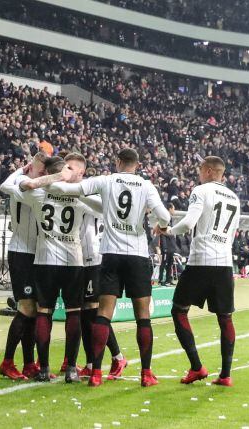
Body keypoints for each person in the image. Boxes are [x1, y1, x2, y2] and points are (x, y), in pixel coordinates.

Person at [48, 148, 172, 387]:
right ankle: (146, 374)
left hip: (111, 255)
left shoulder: (106, 180)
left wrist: (46, 181)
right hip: (136, 255)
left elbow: (69, 189)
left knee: (102, 314)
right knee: (142, 316)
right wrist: (161, 226)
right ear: (137, 164)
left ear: (117, 162)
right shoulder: (146, 186)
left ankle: (95, 373)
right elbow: (164, 215)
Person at [0, 154, 92, 383]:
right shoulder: (80, 195)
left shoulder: (37, 192)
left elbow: (14, 186)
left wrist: (34, 177)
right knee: (45, 310)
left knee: (41, 312)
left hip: (43, 257)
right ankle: (66, 367)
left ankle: (38, 365)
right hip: (60, 258)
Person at [158, 156, 240, 386]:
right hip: (224, 262)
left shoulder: (201, 190)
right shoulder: (234, 197)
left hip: (201, 260)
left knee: (179, 311)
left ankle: (197, 367)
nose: (199, 174)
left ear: (210, 171)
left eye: (201, 170)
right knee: (225, 318)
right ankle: (225, 375)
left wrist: (168, 231)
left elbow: (188, 223)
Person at [0, 152, 48, 381]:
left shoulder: (18, 180)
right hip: (22, 253)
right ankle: (7, 361)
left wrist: (20, 169)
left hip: (33, 253)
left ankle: (28, 363)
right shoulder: (28, 188)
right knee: (26, 309)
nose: (44, 176)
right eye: (41, 171)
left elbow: (5, 184)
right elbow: (6, 185)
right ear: (31, 170)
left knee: (33, 311)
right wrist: (23, 172)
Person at [78, 188, 127, 380]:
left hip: (94, 259)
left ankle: (117, 356)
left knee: (95, 311)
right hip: (82, 259)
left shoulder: (91, 201)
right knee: (85, 311)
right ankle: (91, 363)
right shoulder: (95, 199)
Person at [157, 202, 178, 285]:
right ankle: (160, 279)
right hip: (166, 247)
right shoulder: (165, 218)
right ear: (169, 209)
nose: (174, 210)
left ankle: (168, 280)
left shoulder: (171, 219)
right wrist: (164, 247)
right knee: (163, 263)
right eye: (173, 208)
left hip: (171, 246)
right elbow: (162, 233)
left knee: (170, 264)